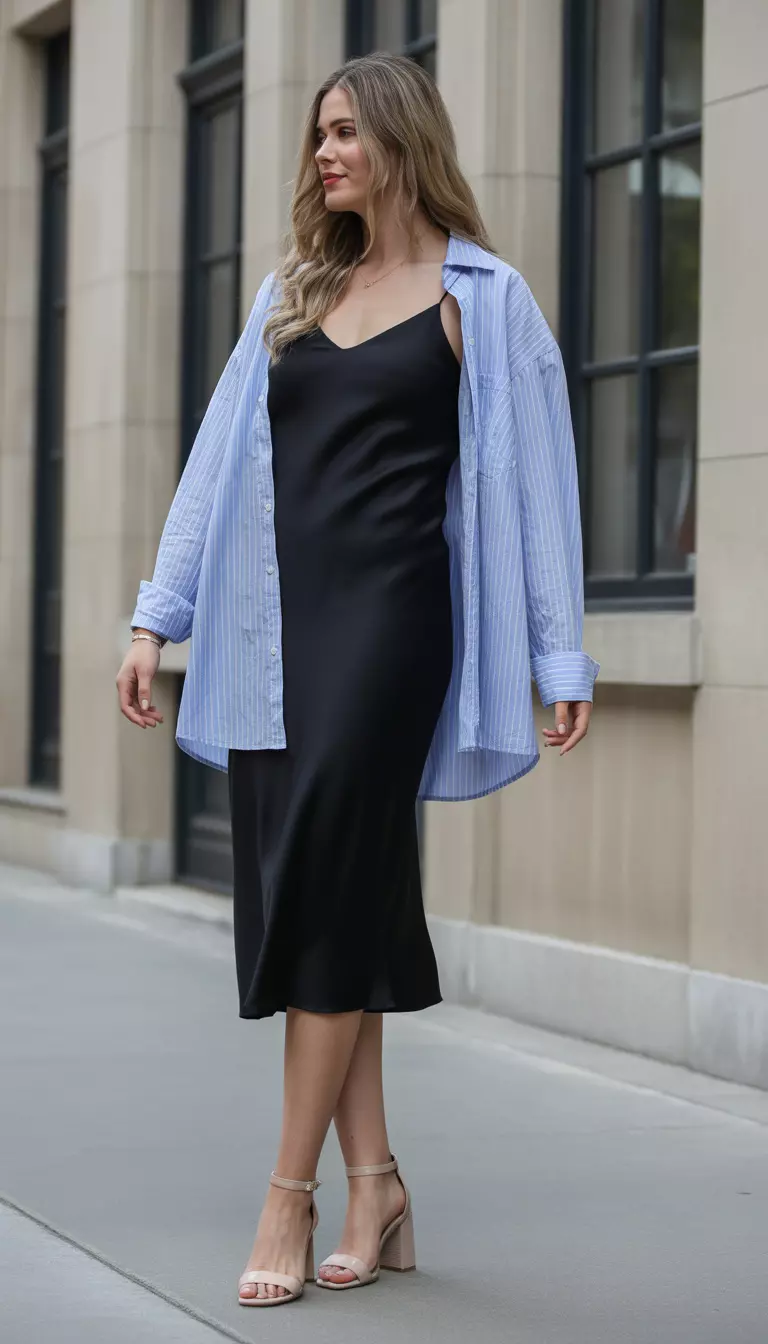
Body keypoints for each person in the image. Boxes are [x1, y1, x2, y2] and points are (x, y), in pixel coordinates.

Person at [116, 52, 599, 1308]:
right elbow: (215, 463)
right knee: (341, 899)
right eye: (318, 134)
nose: (323, 152)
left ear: (399, 139)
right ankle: (375, 1182)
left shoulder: (483, 298)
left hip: (391, 628)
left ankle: (288, 1195)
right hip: (269, 631)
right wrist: (157, 617)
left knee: (326, 881)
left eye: (344, 131)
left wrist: (560, 651)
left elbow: (542, 484)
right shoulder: (294, 290)